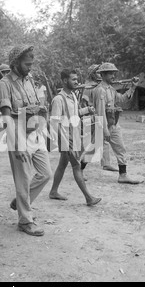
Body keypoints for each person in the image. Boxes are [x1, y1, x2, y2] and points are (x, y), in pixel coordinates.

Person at [0, 45, 52, 237]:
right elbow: (6, 118)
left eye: (31, 63)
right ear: (15, 63)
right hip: (19, 137)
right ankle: (25, 221)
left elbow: (36, 107)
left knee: (45, 174)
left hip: (35, 134)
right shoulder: (4, 84)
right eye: (27, 64)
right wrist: (17, 144)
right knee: (23, 180)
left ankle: (20, 201)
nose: (30, 67)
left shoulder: (30, 81)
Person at [49, 69, 101, 206]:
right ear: (65, 81)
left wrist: (87, 111)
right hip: (66, 138)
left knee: (62, 165)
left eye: (77, 79)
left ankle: (53, 191)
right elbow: (55, 122)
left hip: (74, 135)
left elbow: (75, 113)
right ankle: (89, 198)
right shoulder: (58, 100)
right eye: (74, 79)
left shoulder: (72, 95)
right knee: (77, 166)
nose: (77, 81)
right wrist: (65, 143)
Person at [88, 62, 143, 184]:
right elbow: (100, 112)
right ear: (103, 75)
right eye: (110, 73)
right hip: (103, 125)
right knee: (92, 149)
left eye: (114, 73)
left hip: (113, 124)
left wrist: (132, 87)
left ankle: (123, 175)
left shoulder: (111, 90)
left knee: (120, 148)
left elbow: (122, 100)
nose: (113, 76)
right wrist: (105, 130)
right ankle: (79, 171)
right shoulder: (100, 91)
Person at [80, 64, 117, 173]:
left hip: (100, 117)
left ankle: (106, 163)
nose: (98, 75)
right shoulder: (88, 87)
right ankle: (79, 165)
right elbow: (84, 104)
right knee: (91, 144)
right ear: (92, 74)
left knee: (101, 141)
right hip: (91, 117)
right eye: (96, 73)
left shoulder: (101, 86)